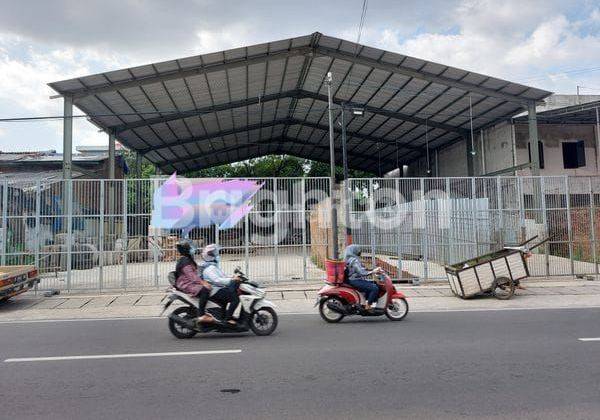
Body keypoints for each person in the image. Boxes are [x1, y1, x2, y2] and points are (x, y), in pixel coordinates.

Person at [199, 244, 241, 325]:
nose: (217, 255)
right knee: (235, 299)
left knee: (232, 294)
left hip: (219, 289)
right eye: (215, 253)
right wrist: (231, 280)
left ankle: (225, 315)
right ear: (210, 255)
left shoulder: (213, 266)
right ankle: (227, 319)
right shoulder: (209, 269)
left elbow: (223, 277)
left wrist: (233, 277)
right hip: (215, 290)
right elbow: (217, 280)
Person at [174, 240, 215, 324]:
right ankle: (201, 315)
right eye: (190, 248)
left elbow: (195, 272)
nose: (193, 249)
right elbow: (191, 276)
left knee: (210, 287)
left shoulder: (187, 259)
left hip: (189, 282)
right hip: (187, 284)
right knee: (205, 290)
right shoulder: (184, 261)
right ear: (186, 250)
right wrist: (203, 283)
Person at [344, 244, 384, 311]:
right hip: (355, 280)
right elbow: (362, 272)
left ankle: (366, 302)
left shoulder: (350, 259)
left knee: (374, 284)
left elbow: (361, 269)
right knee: (374, 288)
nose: (359, 252)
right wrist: (373, 271)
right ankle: (368, 306)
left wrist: (371, 270)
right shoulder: (354, 260)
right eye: (358, 250)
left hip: (353, 279)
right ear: (354, 251)